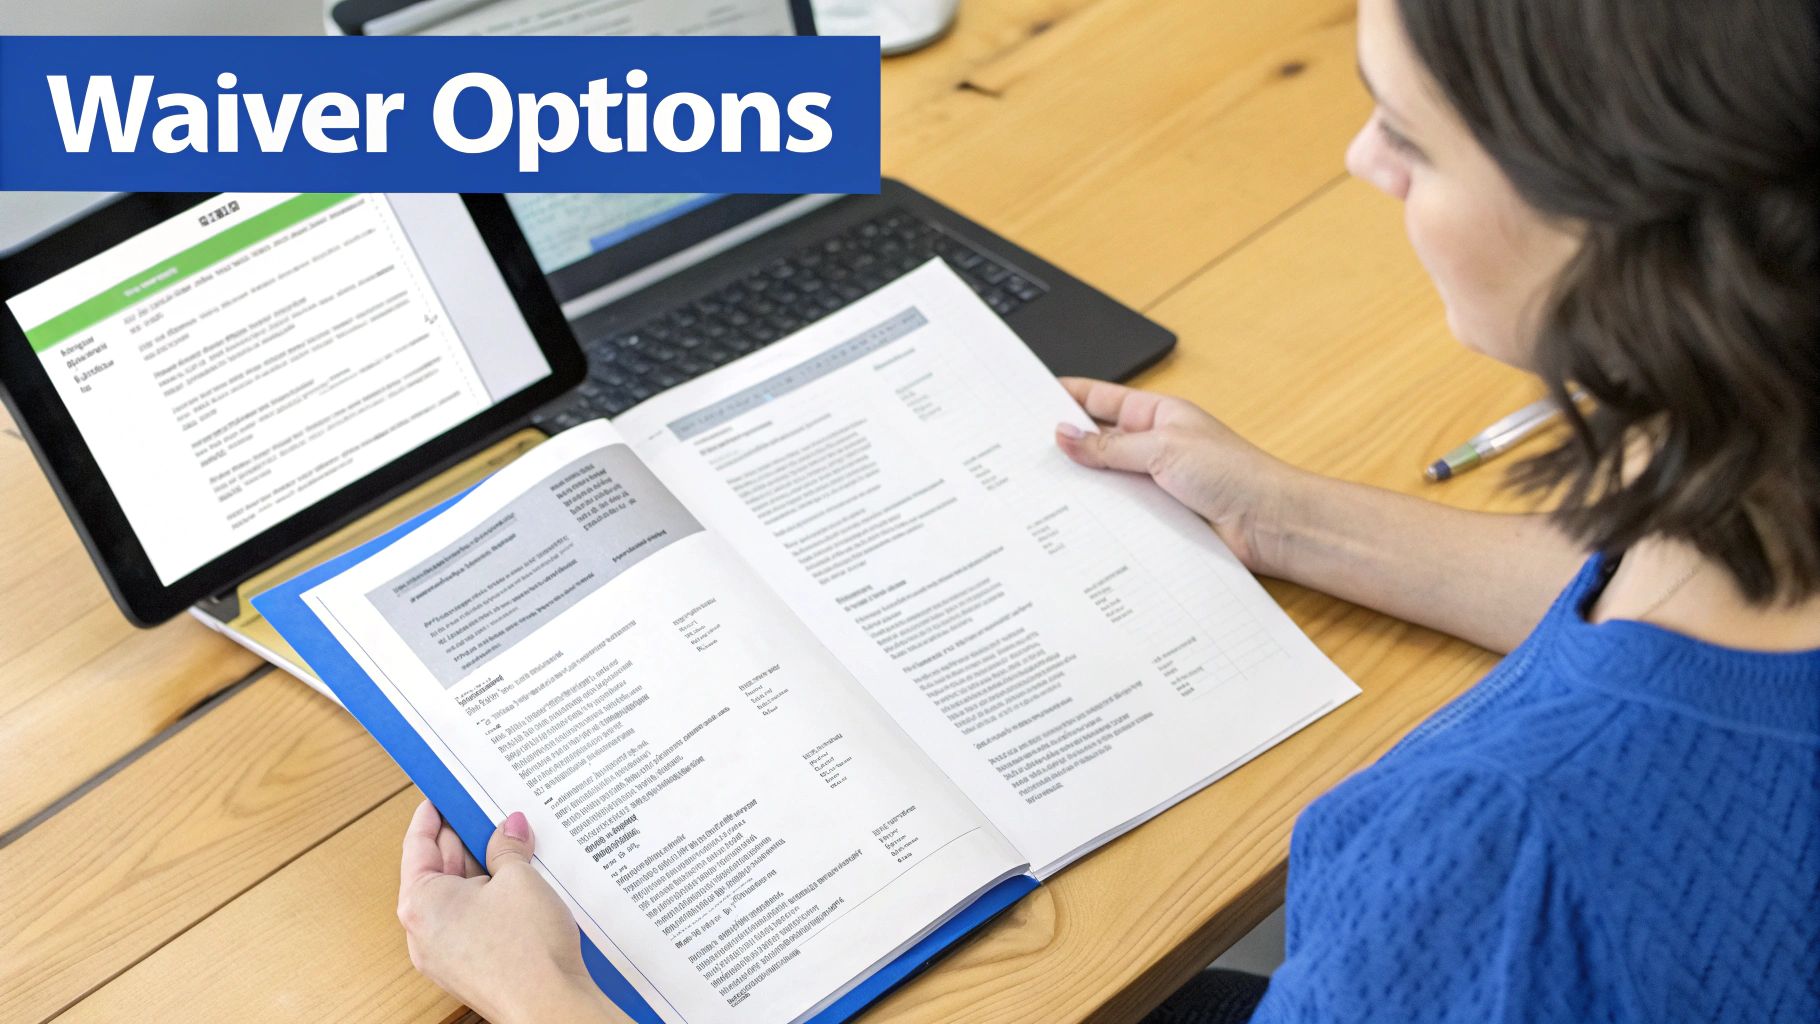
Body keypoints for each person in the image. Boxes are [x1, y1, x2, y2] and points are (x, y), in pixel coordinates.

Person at [394, 0, 1820, 1020]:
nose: (1361, 164)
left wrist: (541, 1001)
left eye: (1408, 132)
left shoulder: (1494, 861)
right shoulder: (1764, 480)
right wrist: (1285, 516)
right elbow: (1700, 654)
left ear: (1616, 213)